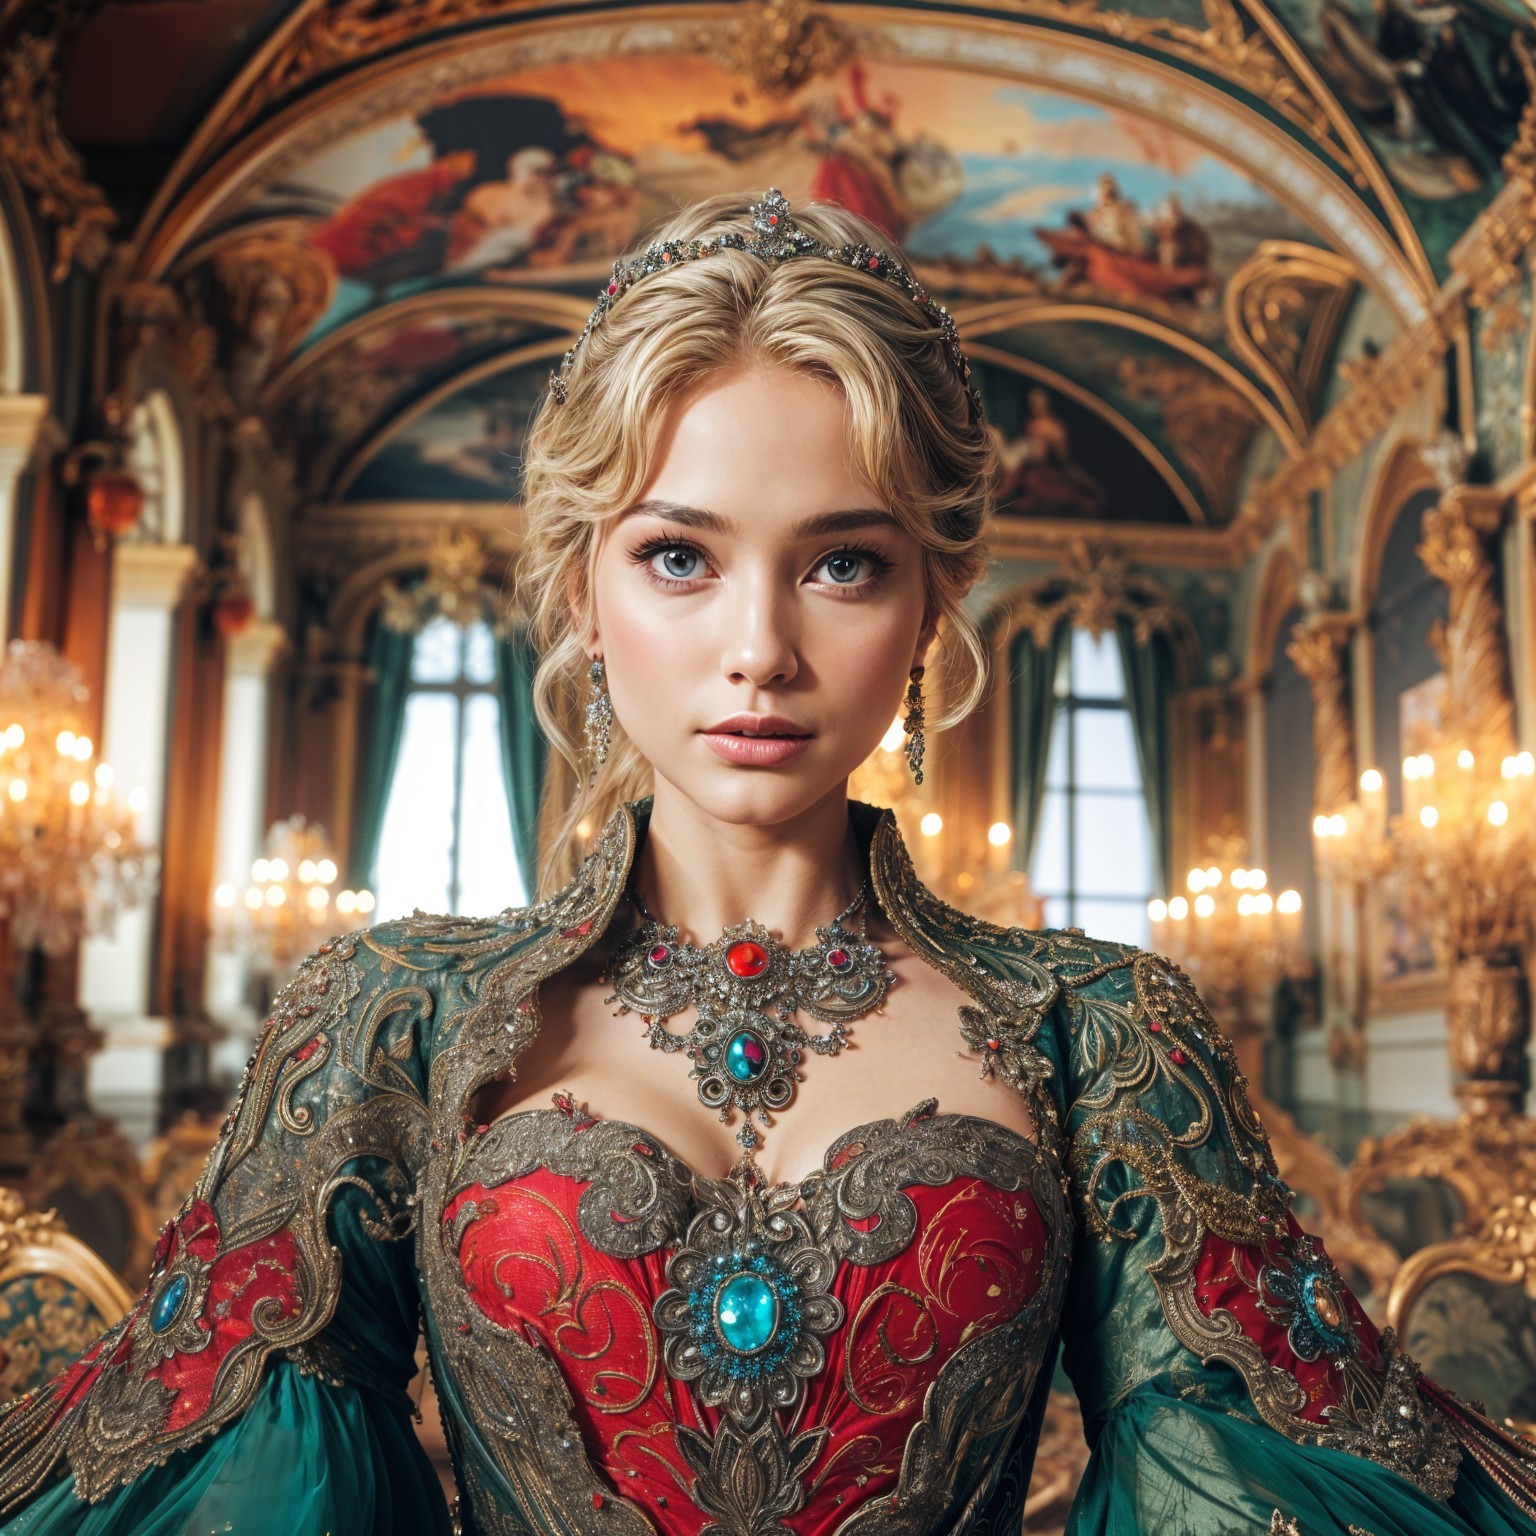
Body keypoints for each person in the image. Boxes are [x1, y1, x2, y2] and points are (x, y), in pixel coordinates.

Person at [1, 188, 1533, 1536]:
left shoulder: (1102, 1036)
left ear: (930, 604)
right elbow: (233, 1486)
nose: (760, 652)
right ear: (586, 591)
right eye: (681, 555)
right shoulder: (387, 1016)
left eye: (843, 563)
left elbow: (1266, 1483)